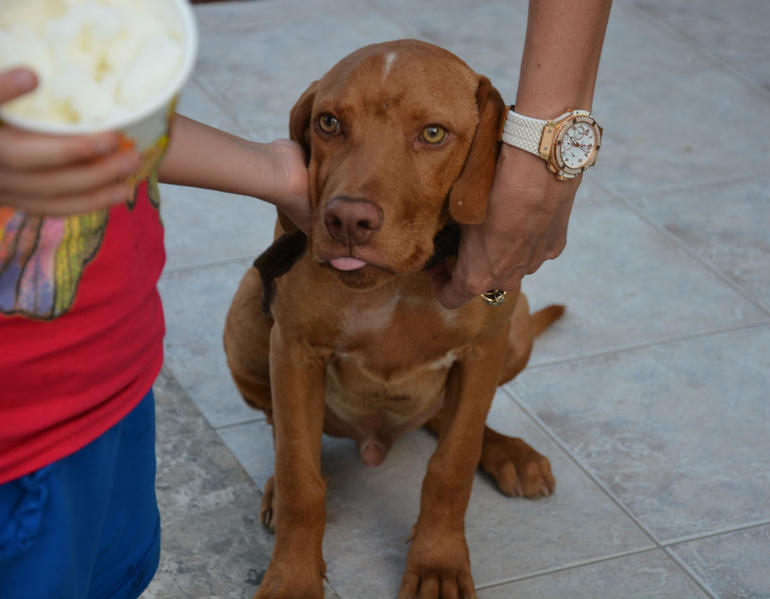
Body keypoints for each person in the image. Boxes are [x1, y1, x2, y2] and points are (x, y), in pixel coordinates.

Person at [0, 0, 611, 596]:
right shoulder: (313, 229)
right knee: (257, 316)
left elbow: (486, 336)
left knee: (507, 324)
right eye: (331, 127)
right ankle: (298, 503)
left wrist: (445, 525)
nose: (353, 203)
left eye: (431, 134)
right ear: (304, 132)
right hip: (52, 393)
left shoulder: (483, 246)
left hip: (91, 385)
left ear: (483, 150)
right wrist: (300, 525)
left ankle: (465, 440)